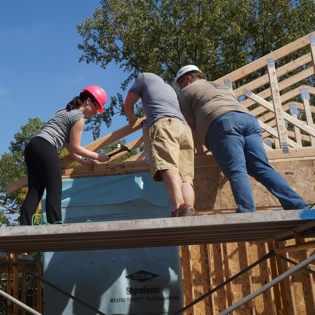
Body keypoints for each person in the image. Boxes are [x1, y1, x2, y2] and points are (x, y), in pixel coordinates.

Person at [174, 65, 309, 213]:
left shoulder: (185, 92)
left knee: (236, 170)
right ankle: (298, 206)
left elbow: (191, 126)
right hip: (249, 121)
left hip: (222, 123)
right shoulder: (219, 86)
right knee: (262, 168)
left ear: (187, 78)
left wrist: (199, 153)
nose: (179, 88)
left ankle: (247, 212)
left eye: (179, 83)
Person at [20, 86, 111, 225]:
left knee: (35, 189)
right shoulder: (79, 117)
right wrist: (98, 156)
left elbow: (69, 145)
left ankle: (24, 225)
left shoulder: (66, 109)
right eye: (96, 107)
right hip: (46, 146)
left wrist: (82, 161)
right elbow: (75, 146)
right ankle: (55, 222)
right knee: (55, 186)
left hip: (32, 145)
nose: (95, 112)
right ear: (88, 101)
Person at [124, 72, 195, 217]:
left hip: (165, 124)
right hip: (185, 129)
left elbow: (128, 104)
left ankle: (179, 207)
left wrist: (132, 120)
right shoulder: (169, 88)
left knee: (168, 165)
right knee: (186, 177)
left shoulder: (144, 77)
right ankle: (189, 210)